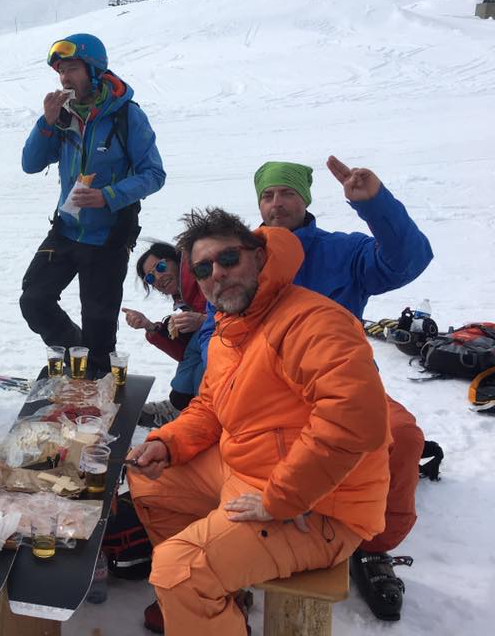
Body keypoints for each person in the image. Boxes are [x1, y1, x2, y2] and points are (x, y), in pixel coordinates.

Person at [127, 208, 391, 636]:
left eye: (229, 258)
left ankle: (194, 589)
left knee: (178, 571)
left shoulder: (310, 321)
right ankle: (216, 599)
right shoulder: (229, 329)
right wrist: (167, 442)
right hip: (249, 471)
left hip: (319, 503)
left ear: (259, 257)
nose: (218, 273)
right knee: (149, 483)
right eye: (204, 268)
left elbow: (354, 417)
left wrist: (283, 498)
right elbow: (209, 406)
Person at [244, 157, 431, 620]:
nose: (277, 203)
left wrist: (376, 205)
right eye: (268, 195)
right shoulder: (242, 257)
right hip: (265, 389)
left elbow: (407, 261)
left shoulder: (342, 251)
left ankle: (373, 547)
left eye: (287, 193)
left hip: (346, 384)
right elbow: (216, 325)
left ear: (305, 199)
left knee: (403, 436)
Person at [20, 33, 166, 374]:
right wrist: (46, 122)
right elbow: (30, 164)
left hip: (109, 237)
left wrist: (107, 196)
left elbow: (154, 174)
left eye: (72, 69)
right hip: (67, 230)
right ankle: (77, 356)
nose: (65, 78)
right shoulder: (63, 116)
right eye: (61, 71)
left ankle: (94, 369)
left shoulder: (126, 116)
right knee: (34, 300)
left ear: (95, 71)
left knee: (100, 330)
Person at [122, 242, 207, 426]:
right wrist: (150, 326)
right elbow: (183, 354)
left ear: (176, 259)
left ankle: (199, 416)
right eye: (150, 278)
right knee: (195, 347)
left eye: (160, 267)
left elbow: (240, 315)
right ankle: (181, 408)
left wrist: (204, 321)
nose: (158, 277)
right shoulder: (186, 298)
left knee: (203, 355)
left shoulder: (203, 276)